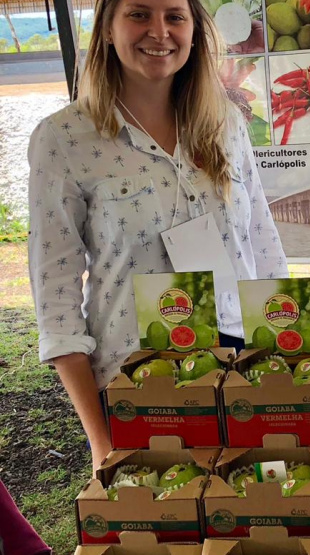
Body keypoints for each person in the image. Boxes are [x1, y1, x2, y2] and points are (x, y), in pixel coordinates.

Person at [27, 0, 288, 471]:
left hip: (243, 371)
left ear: (194, 30)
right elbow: (56, 302)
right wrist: (100, 440)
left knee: (258, 529)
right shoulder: (64, 139)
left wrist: (291, 374)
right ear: (107, 28)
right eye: (139, 14)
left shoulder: (225, 122)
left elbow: (263, 248)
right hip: (138, 383)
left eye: (174, 16)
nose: (159, 31)